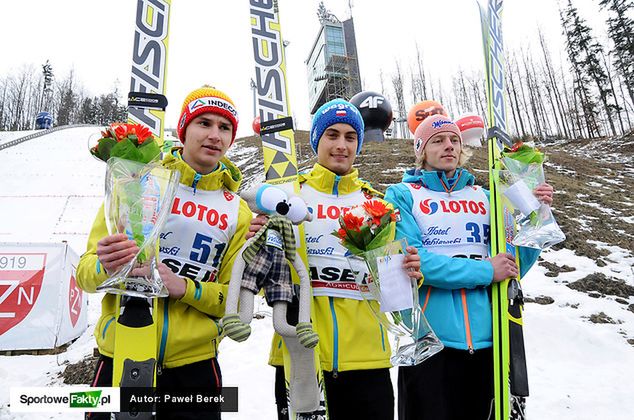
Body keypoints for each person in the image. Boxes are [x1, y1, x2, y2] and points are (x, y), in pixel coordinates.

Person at [77, 86, 251, 420]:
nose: (215, 135)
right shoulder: (137, 182)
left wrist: (185, 288)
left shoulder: (238, 211)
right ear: (183, 130)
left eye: (224, 127)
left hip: (195, 369)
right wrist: (106, 264)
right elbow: (84, 273)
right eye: (204, 123)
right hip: (121, 354)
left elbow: (233, 300)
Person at [251, 99, 422, 420]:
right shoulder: (288, 196)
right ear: (317, 139)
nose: (341, 145)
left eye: (350, 137)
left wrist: (410, 271)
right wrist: (259, 242)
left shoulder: (375, 203)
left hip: (368, 359)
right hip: (301, 355)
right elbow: (266, 283)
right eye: (332, 135)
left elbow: (392, 289)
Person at [384, 114, 554, 420]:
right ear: (421, 149)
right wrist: (486, 272)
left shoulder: (487, 197)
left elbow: (514, 264)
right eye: (437, 141)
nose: (448, 146)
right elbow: (414, 261)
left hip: (491, 341)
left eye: (454, 140)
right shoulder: (402, 195)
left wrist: (536, 216)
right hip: (428, 343)